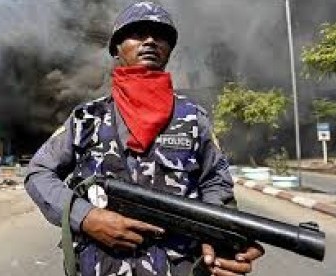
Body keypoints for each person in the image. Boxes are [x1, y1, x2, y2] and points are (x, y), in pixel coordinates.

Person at [25, 2, 264, 275]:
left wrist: (217, 237)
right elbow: (39, 172)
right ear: (116, 49)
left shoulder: (194, 119)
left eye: (159, 35)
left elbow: (216, 183)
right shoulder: (86, 118)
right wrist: (87, 217)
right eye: (137, 33)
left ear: (169, 49)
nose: (149, 40)